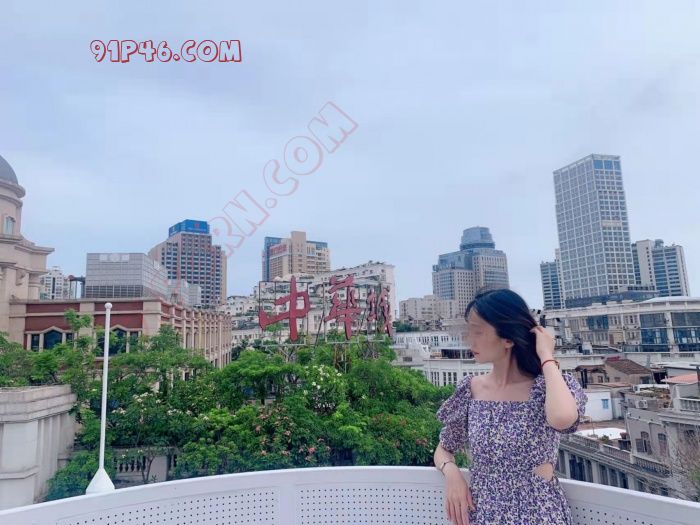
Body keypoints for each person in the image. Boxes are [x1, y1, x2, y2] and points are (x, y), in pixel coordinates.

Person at [433, 289, 587, 525]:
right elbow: (444, 448)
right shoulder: (472, 389)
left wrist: (546, 355)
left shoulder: (547, 387)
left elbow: (562, 418)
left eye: (478, 332)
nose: (470, 340)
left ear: (508, 338)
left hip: (538, 515)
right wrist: (452, 473)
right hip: (483, 514)